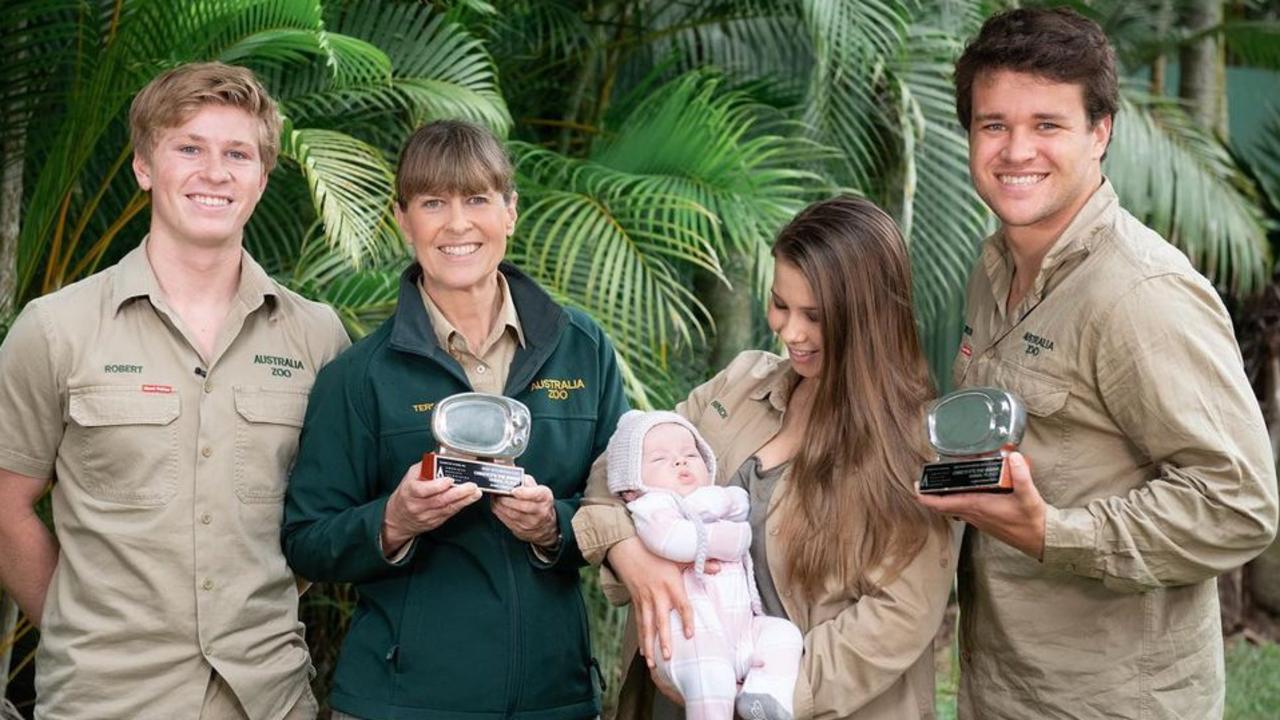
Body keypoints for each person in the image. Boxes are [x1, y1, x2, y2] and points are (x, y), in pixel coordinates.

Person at [916, 8, 1279, 719]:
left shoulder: (1140, 292)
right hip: (1003, 685)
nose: (1016, 149)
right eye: (994, 125)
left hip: (1112, 700)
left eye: (1047, 124)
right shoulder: (994, 268)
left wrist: (1056, 533)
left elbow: (1239, 504)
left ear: (1100, 132)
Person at [0, 62, 350, 719]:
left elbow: (324, 513)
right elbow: (4, 505)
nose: (214, 172)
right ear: (143, 166)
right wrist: (80, 629)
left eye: (237, 154)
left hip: (268, 699)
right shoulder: (56, 328)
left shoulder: (317, 337)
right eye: (189, 147)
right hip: (105, 701)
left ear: (261, 177)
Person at [281, 119, 629, 720]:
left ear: (510, 211)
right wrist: (392, 521)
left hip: (555, 700)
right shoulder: (360, 375)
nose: (458, 223)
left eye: (477, 199)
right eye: (433, 203)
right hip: (400, 704)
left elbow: (626, 499)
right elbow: (307, 540)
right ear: (402, 219)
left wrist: (553, 526)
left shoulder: (582, 347)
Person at [575, 196, 955, 720]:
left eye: (815, 317)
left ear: (867, 318)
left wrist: (752, 695)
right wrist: (628, 554)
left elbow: (899, 618)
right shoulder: (741, 384)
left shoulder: (915, 446)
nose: (789, 331)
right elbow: (620, 462)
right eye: (780, 304)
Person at [605, 410, 804, 720]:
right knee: (712, 678)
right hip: (690, 633)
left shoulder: (716, 498)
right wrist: (732, 537)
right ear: (631, 486)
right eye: (660, 460)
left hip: (742, 631)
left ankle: (763, 696)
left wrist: (720, 506)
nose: (680, 462)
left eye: (689, 454)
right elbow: (673, 540)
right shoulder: (652, 505)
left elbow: (739, 503)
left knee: (783, 635)